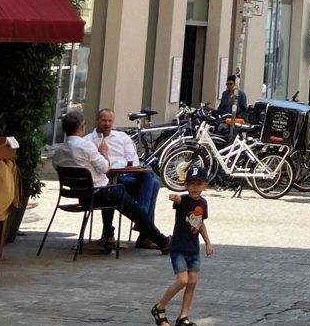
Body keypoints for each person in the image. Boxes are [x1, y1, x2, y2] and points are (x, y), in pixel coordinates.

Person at [56, 111, 170, 254]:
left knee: (140, 186)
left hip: (82, 196)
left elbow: (58, 166)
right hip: (100, 193)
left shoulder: (59, 152)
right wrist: (103, 153)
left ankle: (110, 235)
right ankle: (163, 241)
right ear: (82, 127)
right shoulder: (86, 145)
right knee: (131, 206)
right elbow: (105, 168)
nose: (107, 124)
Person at [152, 164, 213, 326]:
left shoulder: (203, 203)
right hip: (178, 248)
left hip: (193, 248)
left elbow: (200, 224)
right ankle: (159, 307)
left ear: (205, 186)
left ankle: (183, 317)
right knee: (183, 280)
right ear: (185, 185)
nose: (195, 187)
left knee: (192, 281)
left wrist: (207, 242)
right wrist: (174, 197)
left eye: (199, 184)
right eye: (191, 183)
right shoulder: (183, 201)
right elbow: (178, 200)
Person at [89, 108, 161, 241]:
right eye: (104, 120)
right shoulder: (88, 141)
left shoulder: (122, 137)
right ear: (96, 121)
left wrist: (126, 165)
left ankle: (142, 220)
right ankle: (144, 232)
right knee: (154, 184)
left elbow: (133, 160)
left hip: (126, 176)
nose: (107, 124)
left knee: (148, 175)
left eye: (110, 121)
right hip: (107, 181)